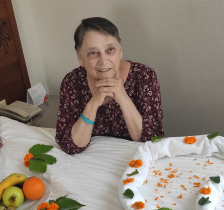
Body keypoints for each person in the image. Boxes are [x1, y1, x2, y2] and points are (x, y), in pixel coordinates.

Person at [55, 17, 164, 154]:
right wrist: (92, 104)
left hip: (135, 160)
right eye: (93, 53)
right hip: (91, 160)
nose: (103, 61)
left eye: (110, 50)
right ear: (80, 58)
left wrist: (123, 98)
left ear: (120, 51)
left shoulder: (144, 76)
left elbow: (153, 140)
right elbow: (69, 145)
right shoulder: (71, 82)